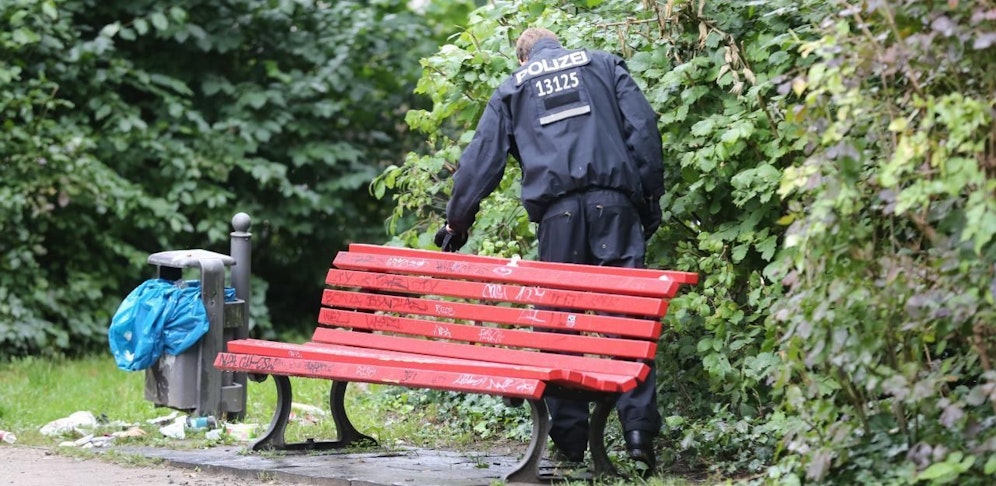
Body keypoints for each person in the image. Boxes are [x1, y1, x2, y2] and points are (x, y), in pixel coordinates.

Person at [433, 27, 665, 469]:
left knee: (561, 327)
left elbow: (482, 160)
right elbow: (643, 128)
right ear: (558, 45)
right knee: (628, 321)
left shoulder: (513, 88)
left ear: (523, 59)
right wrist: (649, 198)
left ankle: (571, 443)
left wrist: (457, 222)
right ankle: (638, 436)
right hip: (615, 206)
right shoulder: (601, 63)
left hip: (558, 216)